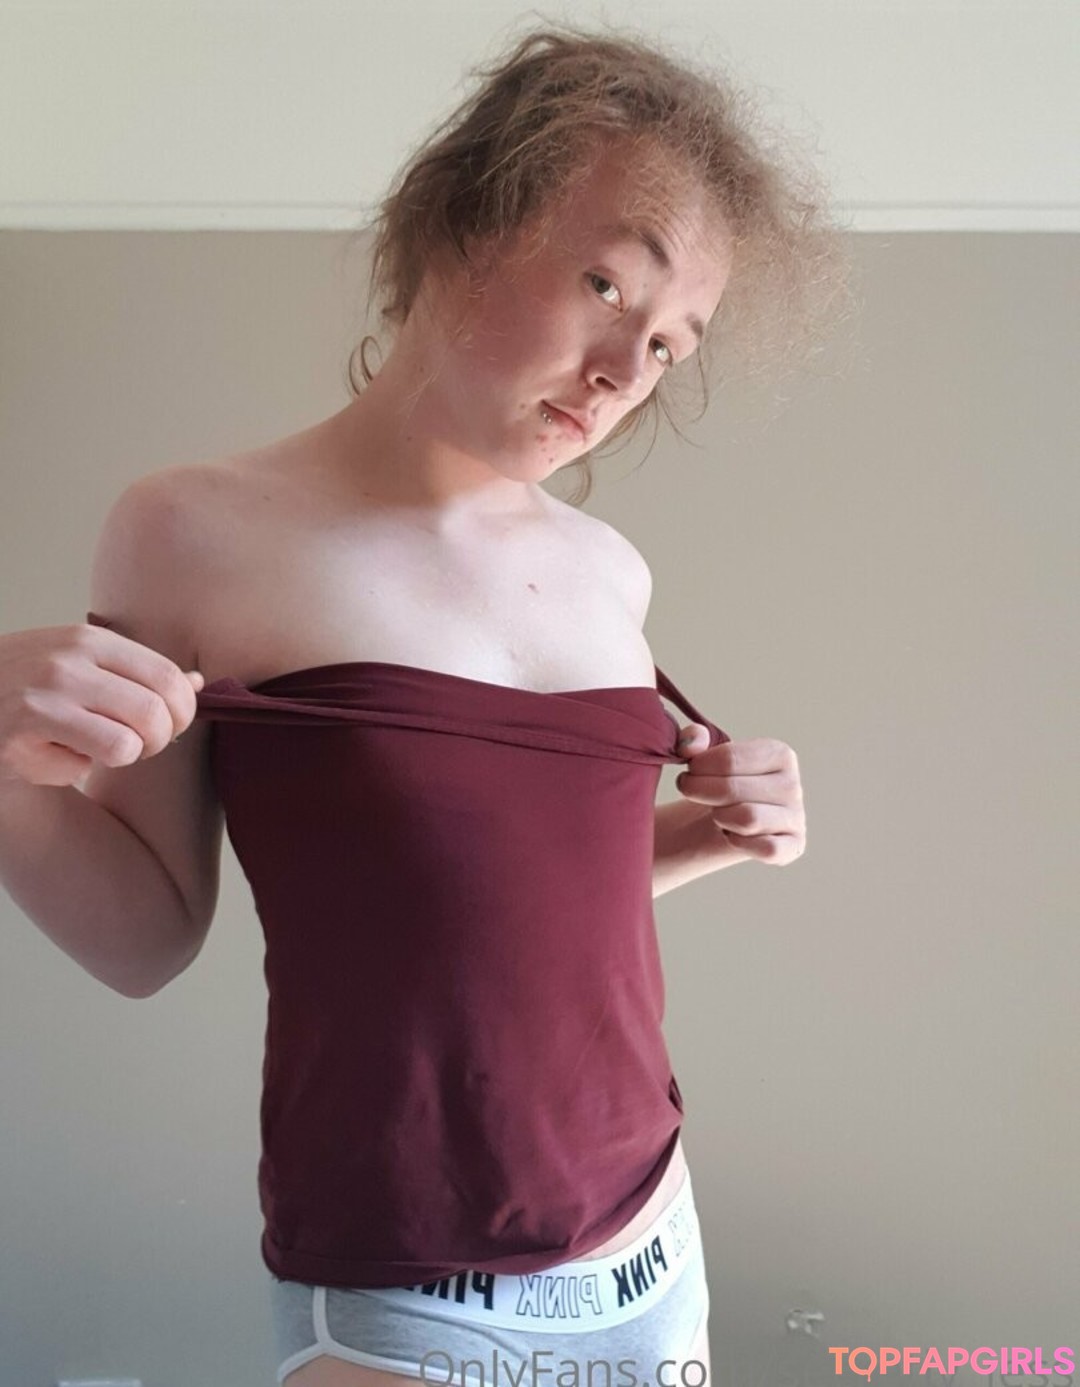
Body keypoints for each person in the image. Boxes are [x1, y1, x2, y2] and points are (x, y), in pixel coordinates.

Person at [0, 22, 843, 1387]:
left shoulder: (609, 573)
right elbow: (146, 937)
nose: (624, 373)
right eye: (606, 286)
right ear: (463, 220)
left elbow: (492, 892)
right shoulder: (191, 532)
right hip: (411, 1290)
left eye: (670, 346)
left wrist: (714, 833)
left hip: (654, 1241)